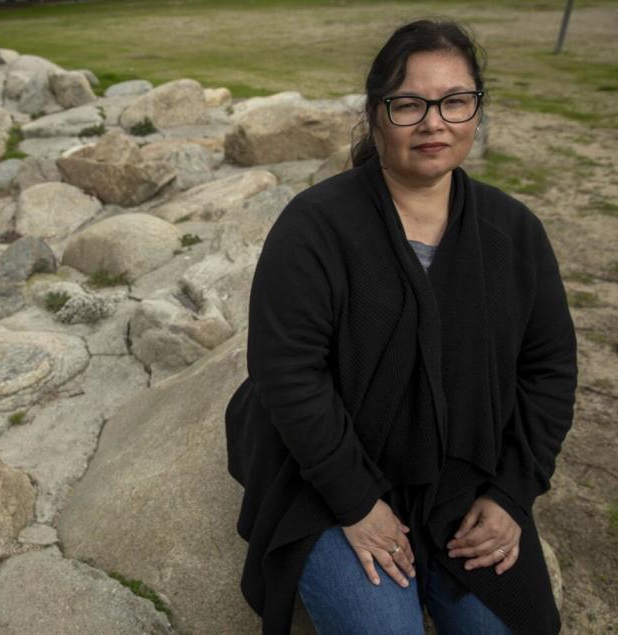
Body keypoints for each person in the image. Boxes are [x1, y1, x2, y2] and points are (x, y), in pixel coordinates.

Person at [224, 19, 577, 635]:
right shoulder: (315, 227)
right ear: (376, 112)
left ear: (475, 109)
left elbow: (548, 371)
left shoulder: (514, 232)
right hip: (329, 483)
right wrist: (357, 502)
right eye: (409, 103)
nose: (434, 122)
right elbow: (288, 371)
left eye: (455, 102)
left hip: (465, 483)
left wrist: (511, 493)